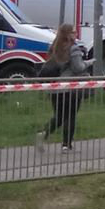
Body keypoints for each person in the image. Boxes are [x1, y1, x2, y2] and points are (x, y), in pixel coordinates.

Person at [37, 23, 93, 152]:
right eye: (73, 32)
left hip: (55, 88)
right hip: (70, 87)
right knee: (70, 116)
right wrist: (89, 62)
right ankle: (66, 144)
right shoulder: (73, 49)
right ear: (68, 34)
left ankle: (44, 133)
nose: (76, 34)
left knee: (59, 116)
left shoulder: (54, 47)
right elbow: (78, 67)